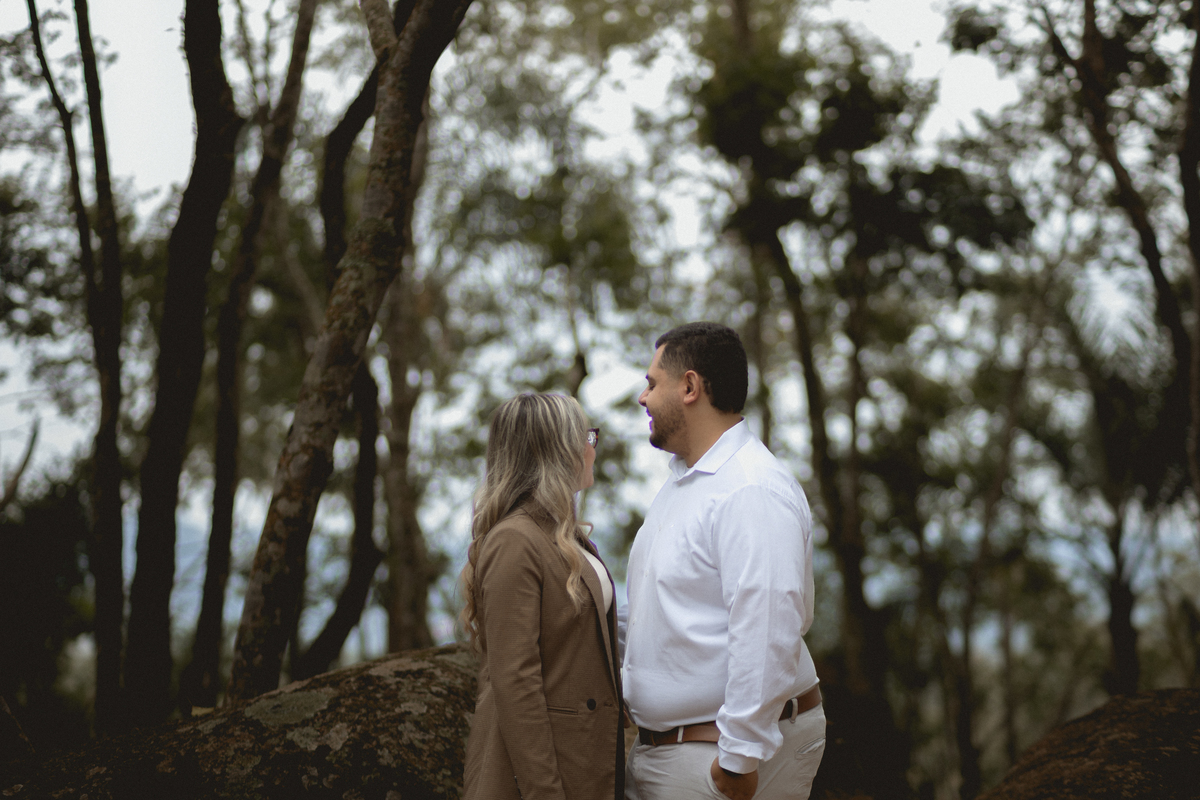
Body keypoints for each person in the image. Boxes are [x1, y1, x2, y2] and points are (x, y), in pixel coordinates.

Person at [622, 322, 824, 800]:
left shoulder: (749, 488)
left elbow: (768, 623)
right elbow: (660, 612)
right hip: (676, 751)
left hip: (714, 757)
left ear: (690, 387)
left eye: (652, 383)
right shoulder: (684, 483)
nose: (643, 398)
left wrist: (736, 762)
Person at [461, 393, 624, 800]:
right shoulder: (515, 540)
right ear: (557, 451)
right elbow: (515, 682)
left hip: (584, 759)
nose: (592, 448)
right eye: (586, 436)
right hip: (542, 775)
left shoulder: (563, 536)